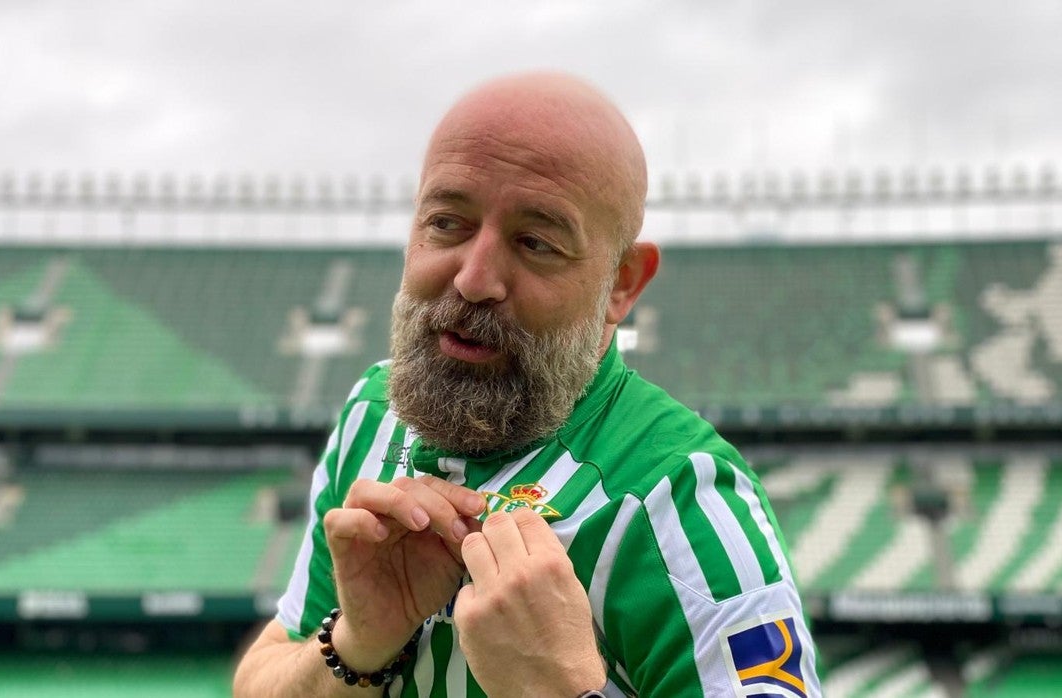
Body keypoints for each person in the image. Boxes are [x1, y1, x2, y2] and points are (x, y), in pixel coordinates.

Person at [233, 72, 822, 697]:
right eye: (447, 223)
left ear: (622, 283)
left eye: (536, 242)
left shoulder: (681, 499)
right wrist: (359, 639)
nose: (474, 278)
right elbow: (260, 681)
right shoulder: (371, 412)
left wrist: (560, 687)